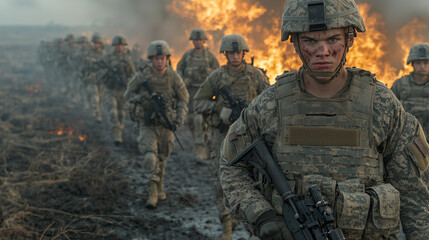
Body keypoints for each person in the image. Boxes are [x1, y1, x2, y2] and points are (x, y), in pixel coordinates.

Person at [219, 0, 429, 240]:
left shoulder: (381, 104)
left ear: (349, 39)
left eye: (332, 39)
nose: (322, 51)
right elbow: (231, 164)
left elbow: (415, 194)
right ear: (296, 43)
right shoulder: (269, 105)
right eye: (310, 41)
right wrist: (261, 215)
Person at [194, 34, 269, 240]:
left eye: (238, 53)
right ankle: (226, 227)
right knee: (221, 181)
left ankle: (251, 226)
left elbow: (270, 103)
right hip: (223, 137)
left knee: (255, 181)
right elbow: (198, 102)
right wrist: (218, 108)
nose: (235, 56)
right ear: (225, 54)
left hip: (250, 138)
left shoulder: (256, 76)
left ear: (244, 53)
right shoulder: (217, 77)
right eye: (231, 53)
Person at [124, 40, 189, 209]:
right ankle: (152, 191)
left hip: (166, 124)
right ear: (151, 59)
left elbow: (184, 98)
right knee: (149, 156)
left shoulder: (174, 77)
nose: (159, 62)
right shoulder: (142, 77)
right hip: (148, 123)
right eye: (156, 59)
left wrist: (179, 118)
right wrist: (144, 100)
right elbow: (128, 95)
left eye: (162, 58)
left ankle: (160, 185)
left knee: (162, 157)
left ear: (167, 58)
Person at [177, 28, 220, 161]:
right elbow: (179, 71)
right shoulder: (187, 56)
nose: (198, 42)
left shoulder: (209, 57)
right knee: (191, 120)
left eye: (200, 40)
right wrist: (185, 81)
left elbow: (217, 73)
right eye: (195, 40)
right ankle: (202, 146)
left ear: (204, 41)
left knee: (201, 120)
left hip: (205, 93)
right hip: (191, 93)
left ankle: (202, 149)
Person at [100, 35, 136, 145]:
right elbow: (101, 74)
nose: (119, 47)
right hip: (111, 90)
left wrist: (128, 84)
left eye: (121, 45)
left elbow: (133, 75)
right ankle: (117, 136)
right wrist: (109, 75)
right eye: (117, 45)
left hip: (123, 91)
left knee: (121, 114)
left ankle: (119, 129)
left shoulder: (128, 59)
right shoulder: (108, 58)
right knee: (113, 113)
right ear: (114, 46)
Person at [391, 43, 429, 140]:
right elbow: (389, 110)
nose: (422, 66)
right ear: (412, 64)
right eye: (418, 63)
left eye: (426, 63)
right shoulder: (400, 85)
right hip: (405, 141)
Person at [81, 34, 107, 122]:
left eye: (98, 43)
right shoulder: (89, 53)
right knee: (95, 97)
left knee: (101, 98)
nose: (96, 45)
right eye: (94, 43)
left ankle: (98, 111)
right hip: (92, 78)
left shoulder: (104, 54)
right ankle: (97, 114)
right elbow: (85, 65)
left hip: (102, 79)